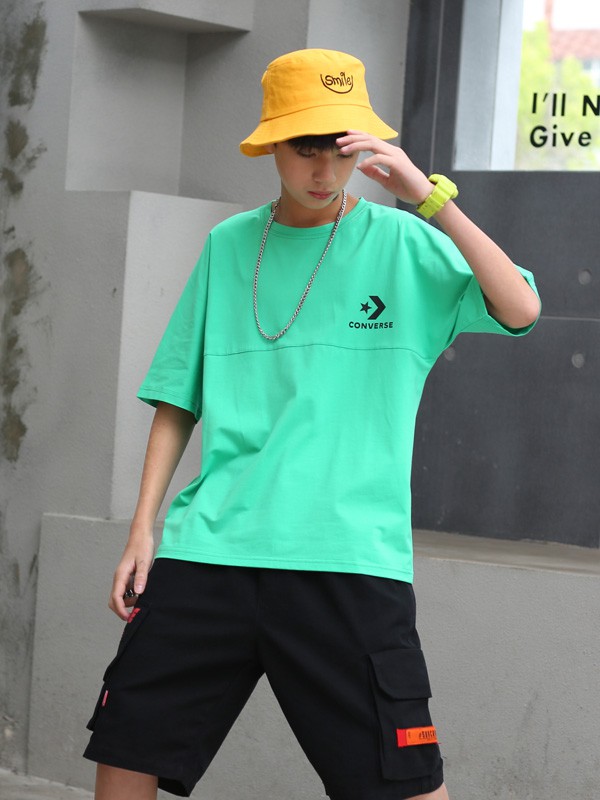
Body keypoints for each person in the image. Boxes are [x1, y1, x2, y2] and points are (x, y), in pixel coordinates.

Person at [83, 48, 540, 800]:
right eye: (306, 147)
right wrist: (142, 529)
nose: (326, 169)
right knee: (126, 750)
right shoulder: (229, 245)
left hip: (347, 560)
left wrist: (428, 197)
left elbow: (521, 308)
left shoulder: (404, 243)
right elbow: (177, 396)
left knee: (402, 783)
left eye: (342, 148)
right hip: (211, 550)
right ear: (271, 144)